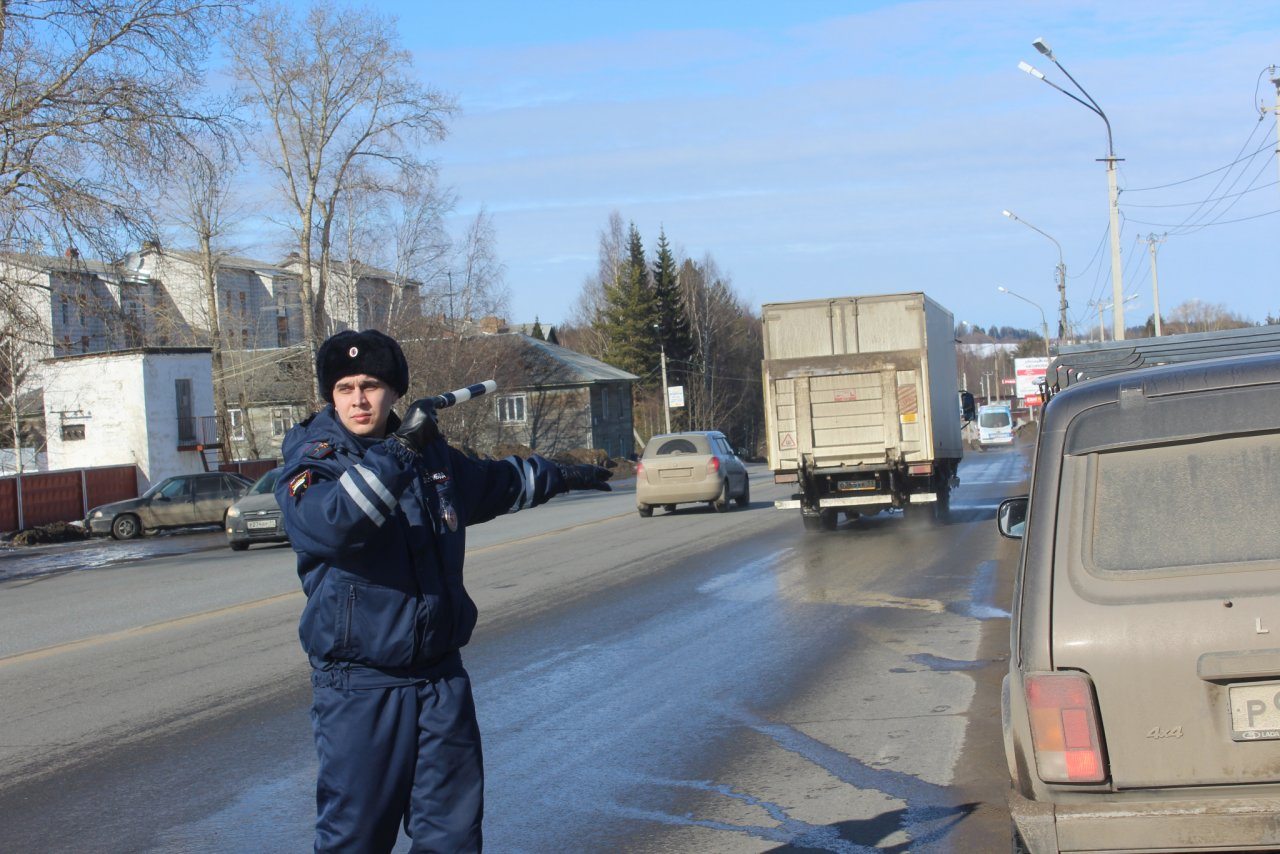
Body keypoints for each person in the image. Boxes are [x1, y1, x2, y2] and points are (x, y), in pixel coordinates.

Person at [276, 329, 612, 852]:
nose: (359, 399)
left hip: (440, 679)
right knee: (356, 838)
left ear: (394, 391)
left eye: (371, 385)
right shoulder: (313, 462)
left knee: (452, 837)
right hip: (361, 686)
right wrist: (397, 451)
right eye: (345, 388)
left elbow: (494, 483)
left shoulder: (428, 458)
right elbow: (333, 526)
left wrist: (561, 474)